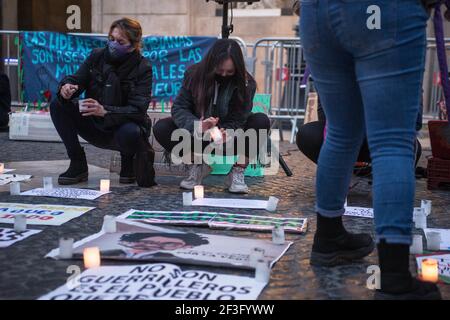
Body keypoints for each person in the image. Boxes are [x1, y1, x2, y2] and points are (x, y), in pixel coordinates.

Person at [300, 1, 441, 299]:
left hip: (316, 12)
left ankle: (328, 237)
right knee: (392, 141)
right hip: (381, 10)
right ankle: (393, 278)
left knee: (340, 133)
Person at [153, 39, 271, 194]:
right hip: (198, 135)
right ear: (211, 64)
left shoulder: (246, 83)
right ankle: (197, 166)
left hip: (229, 137)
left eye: (230, 72)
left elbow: (239, 117)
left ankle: (237, 172)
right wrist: (198, 126)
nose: (223, 75)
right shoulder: (194, 74)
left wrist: (225, 131)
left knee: (261, 121)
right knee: (162, 127)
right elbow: (179, 107)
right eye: (220, 70)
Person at [50, 18, 156, 188]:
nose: (114, 45)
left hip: (121, 127)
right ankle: (77, 162)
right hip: (93, 121)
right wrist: (67, 88)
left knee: (132, 131)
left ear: (133, 44)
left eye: (120, 41)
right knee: (58, 104)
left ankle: (127, 163)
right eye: (111, 39)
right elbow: (78, 79)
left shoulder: (143, 67)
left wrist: (105, 111)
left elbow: (137, 110)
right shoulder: (96, 56)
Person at [100, 232, 210, 259]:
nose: (155, 247)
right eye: (149, 242)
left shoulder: (172, 259)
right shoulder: (106, 254)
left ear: (186, 246)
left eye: (169, 244)